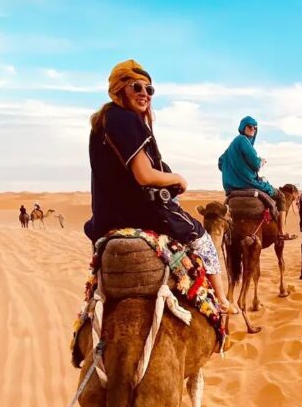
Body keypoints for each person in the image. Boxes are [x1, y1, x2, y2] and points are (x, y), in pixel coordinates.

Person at [84, 59, 237, 313]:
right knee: (203, 240)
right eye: (137, 87)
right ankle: (221, 300)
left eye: (149, 89)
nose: (144, 94)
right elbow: (144, 175)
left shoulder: (102, 123)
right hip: (138, 212)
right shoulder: (126, 120)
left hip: (105, 218)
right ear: (120, 89)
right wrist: (177, 178)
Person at [218, 116, 290, 240]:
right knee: (281, 196)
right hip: (249, 184)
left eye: (254, 127)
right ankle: (282, 232)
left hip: (232, 188)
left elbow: (220, 162)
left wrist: (236, 171)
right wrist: (261, 161)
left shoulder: (233, 144)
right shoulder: (243, 141)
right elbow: (255, 164)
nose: (252, 129)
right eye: (249, 126)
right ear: (243, 127)